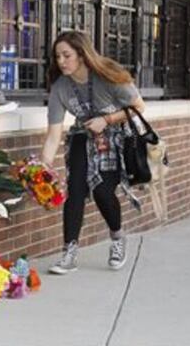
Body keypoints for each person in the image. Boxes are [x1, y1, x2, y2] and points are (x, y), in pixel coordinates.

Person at [40, 30, 145, 275]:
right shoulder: (60, 87)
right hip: (81, 136)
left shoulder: (107, 75)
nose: (61, 61)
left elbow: (139, 106)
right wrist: (43, 165)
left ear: (82, 54)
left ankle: (118, 238)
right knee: (75, 190)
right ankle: (69, 252)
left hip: (113, 137)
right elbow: (54, 133)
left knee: (102, 191)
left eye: (67, 55)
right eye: (58, 57)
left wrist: (107, 120)